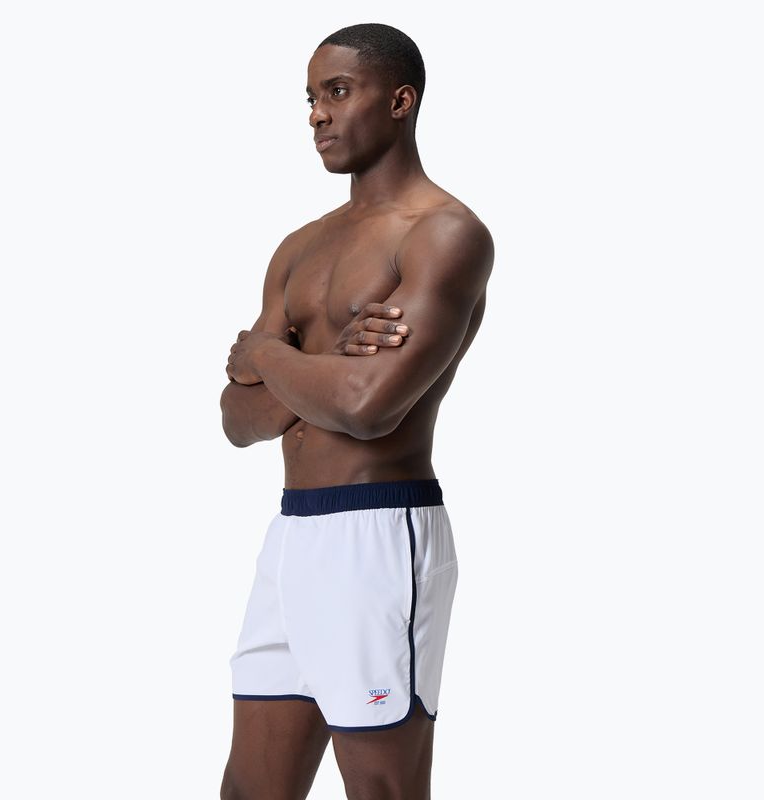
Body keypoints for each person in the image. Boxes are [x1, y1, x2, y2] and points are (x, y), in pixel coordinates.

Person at [218, 22, 494, 800]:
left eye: (338, 92)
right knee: (249, 790)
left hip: (380, 536)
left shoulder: (446, 234)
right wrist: (327, 369)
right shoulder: (299, 247)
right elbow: (235, 420)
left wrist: (267, 356)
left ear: (401, 101)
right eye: (310, 98)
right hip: (291, 537)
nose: (317, 114)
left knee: (380, 789)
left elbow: (369, 407)